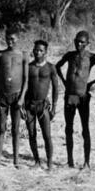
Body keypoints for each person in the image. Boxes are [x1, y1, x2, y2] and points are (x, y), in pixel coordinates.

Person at [56, 30, 95, 169]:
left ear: (88, 43)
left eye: (82, 42)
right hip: (69, 95)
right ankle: (70, 161)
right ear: (74, 41)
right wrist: (64, 82)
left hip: (83, 96)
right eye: (77, 41)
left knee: (85, 129)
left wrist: (91, 83)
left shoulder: (92, 57)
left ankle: (87, 162)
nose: (79, 44)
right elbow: (57, 66)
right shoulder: (69, 56)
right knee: (68, 128)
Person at [0, 27, 28, 168]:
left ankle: (16, 160)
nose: (10, 41)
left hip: (17, 95)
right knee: (1, 128)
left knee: (16, 129)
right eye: (8, 38)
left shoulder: (23, 55)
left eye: (13, 38)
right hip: (2, 96)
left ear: (18, 38)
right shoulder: (0, 55)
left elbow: (26, 80)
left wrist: (22, 98)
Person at [23, 40, 59, 170]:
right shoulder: (29, 67)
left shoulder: (50, 67)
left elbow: (56, 87)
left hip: (43, 106)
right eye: (36, 50)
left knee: (47, 135)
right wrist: (22, 105)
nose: (37, 53)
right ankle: (37, 160)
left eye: (40, 50)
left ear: (46, 52)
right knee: (32, 134)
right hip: (30, 105)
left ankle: (49, 162)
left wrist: (54, 106)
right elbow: (24, 86)